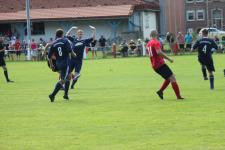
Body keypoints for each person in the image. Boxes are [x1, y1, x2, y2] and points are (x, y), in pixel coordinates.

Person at [146, 30, 184, 100]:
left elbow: (153, 54)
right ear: (156, 34)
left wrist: (162, 59)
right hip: (159, 64)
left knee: (168, 78)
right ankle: (178, 96)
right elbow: (159, 52)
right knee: (172, 77)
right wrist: (169, 58)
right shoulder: (155, 42)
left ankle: (160, 91)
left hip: (155, 65)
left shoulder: (148, 43)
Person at [48, 29, 75, 102]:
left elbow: (49, 56)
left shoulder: (54, 43)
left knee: (69, 77)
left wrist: (51, 65)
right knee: (63, 80)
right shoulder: (65, 41)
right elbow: (70, 51)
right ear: (62, 34)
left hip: (58, 63)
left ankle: (66, 95)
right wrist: (75, 55)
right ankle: (52, 95)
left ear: (56, 35)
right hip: (65, 63)